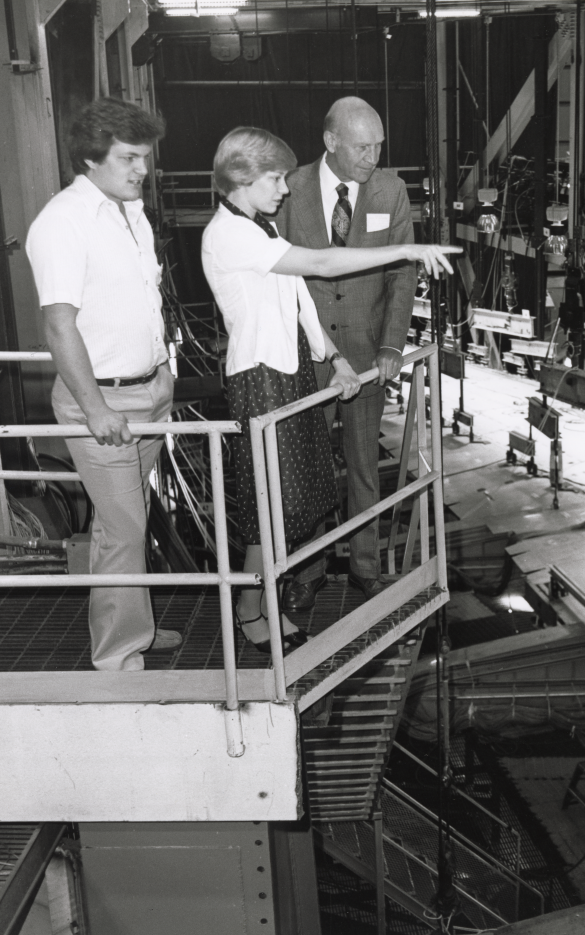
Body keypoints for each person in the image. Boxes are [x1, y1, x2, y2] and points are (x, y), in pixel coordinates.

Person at [200, 126, 458, 652]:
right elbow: (317, 265)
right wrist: (405, 249)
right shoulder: (229, 234)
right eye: (273, 178)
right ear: (242, 179)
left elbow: (300, 300)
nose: (284, 188)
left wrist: (336, 359)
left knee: (292, 500)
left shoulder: (262, 227)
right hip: (260, 378)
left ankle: (259, 603)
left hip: (289, 370)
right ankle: (252, 611)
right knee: (272, 503)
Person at [25, 98, 180, 672]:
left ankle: (130, 622)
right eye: (129, 158)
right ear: (91, 159)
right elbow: (58, 324)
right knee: (123, 527)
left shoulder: (128, 211)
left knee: (126, 519)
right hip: (104, 403)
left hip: (149, 392)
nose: (142, 169)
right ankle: (118, 654)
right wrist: (93, 408)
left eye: (145, 157)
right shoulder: (63, 222)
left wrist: (164, 375)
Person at [273, 96, 415, 611]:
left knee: (362, 469)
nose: (372, 156)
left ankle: (366, 569)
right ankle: (307, 572)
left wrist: (392, 345)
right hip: (307, 357)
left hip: (365, 357)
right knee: (306, 469)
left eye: (378, 145)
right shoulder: (287, 190)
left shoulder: (390, 191)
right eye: (362, 146)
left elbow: (402, 275)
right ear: (331, 142)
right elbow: (275, 273)